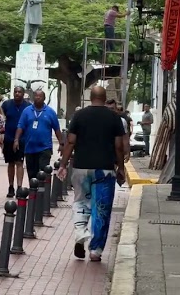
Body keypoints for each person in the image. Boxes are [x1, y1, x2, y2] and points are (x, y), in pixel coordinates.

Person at [56, 86, 126, 262]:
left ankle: (80, 232)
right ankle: (96, 250)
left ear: (90, 97)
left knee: (81, 202)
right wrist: (121, 168)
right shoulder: (114, 118)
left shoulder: (79, 116)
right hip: (105, 169)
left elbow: (70, 142)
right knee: (101, 209)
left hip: (81, 167)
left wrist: (63, 165)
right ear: (104, 98)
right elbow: (119, 146)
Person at [14, 88, 63, 185]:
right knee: (32, 175)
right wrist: (16, 140)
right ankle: (33, 197)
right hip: (30, 148)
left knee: (42, 173)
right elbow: (20, 126)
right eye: (36, 96)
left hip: (45, 148)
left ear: (44, 98)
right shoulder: (27, 111)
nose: (37, 98)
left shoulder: (50, 112)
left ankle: (42, 196)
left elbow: (57, 129)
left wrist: (61, 143)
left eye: (40, 96)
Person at [1, 86, 28, 197]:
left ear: (23, 93)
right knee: (10, 163)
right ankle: (11, 186)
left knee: (19, 162)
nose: (17, 94)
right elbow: (1, 120)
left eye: (19, 92)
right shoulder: (6, 105)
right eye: (15, 92)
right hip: (8, 138)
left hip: (22, 138)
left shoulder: (27, 106)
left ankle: (19, 187)